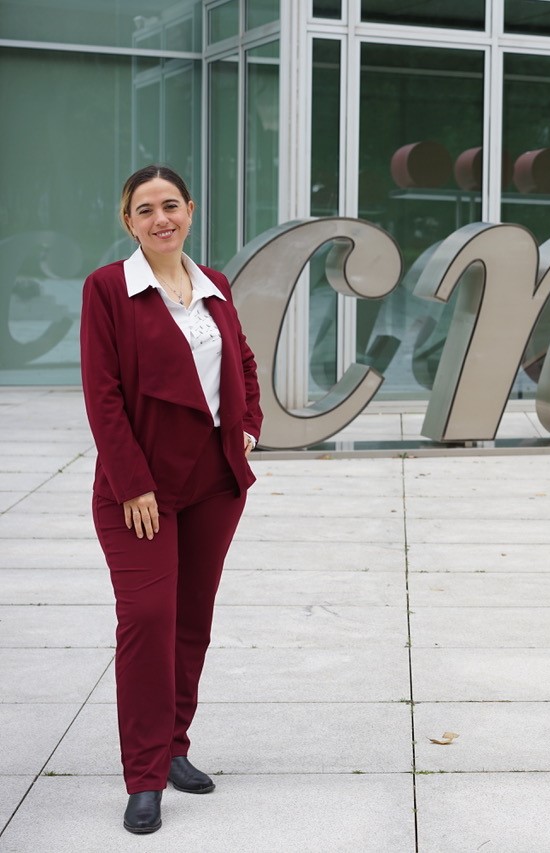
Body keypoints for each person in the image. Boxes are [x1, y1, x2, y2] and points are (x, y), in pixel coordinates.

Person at [80, 165, 262, 833]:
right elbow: (102, 394)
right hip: (141, 494)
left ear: (190, 209)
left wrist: (248, 427)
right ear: (128, 222)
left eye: (171, 205)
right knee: (148, 620)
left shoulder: (214, 283)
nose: (161, 218)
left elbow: (240, 359)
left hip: (213, 485)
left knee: (191, 621)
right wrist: (132, 483)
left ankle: (174, 744)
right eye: (145, 209)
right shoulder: (107, 290)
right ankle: (145, 775)